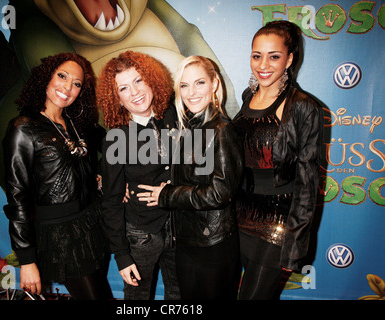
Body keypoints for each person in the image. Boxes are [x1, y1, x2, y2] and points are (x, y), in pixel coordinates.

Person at [2, 52, 113, 300]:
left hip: (92, 220)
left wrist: (101, 176)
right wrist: (27, 260)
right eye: (62, 76)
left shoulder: (77, 123)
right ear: (46, 77)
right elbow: (16, 198)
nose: (67, 87)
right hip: (60, 232)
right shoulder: (23, 127)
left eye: (76, 83)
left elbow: (110, 147)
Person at [138, 55, 243, 300]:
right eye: (184, 85)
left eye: (199, 83)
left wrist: (168, 195)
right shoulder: (190, 128)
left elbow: (220, 192)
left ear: (214, 84)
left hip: (212, 243)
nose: (191, 92)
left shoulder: (221, 130)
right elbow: (194, 179)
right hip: (187, 240)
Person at [232, 20, 323, 300]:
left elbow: (308, 182)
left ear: (290, 59)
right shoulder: (249, 96)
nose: (263, 64)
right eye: (257, 55)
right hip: (238, 215)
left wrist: (295, 243)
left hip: (277, 223)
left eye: (274, 56)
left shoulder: (303, 106)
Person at [97, 51, 180, 300]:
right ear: (117, 99)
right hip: (141, 234)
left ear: (152, 81)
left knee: (178, 294)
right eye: (123, 88)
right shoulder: (116, 139)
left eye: (139, 80)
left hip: (178, 226)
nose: (134, 92)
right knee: (137, 299)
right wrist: (122, 256)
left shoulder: (173, 116)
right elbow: (111, 203)